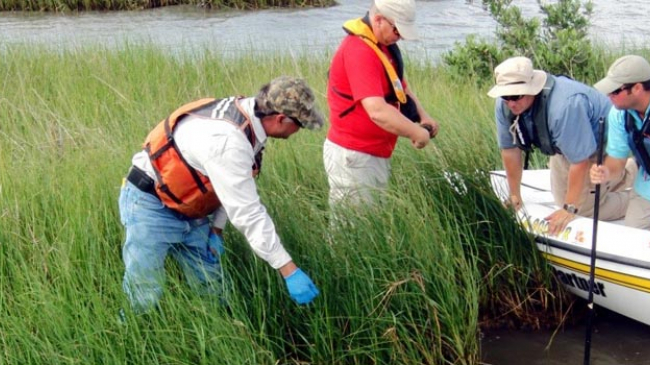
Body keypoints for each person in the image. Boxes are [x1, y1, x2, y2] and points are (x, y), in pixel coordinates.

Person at [118, 76, 322, 313]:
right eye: (299, 124)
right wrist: (289, 270)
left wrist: (216, 229)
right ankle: (127, 335)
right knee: (144, 292)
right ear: (279, 119)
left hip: (192, 210)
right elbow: (247, 213)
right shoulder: (228, 141)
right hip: (149, 204)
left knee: (212, 289)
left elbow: (227, 183)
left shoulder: (249, 116)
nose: (299, 130)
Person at [487, 56, 634, 236]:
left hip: (602, 144)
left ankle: (635, 189)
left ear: (532, 89)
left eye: (516, 96)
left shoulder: (564, 106)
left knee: (583, 211)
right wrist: (514, 194)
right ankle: (623, 174)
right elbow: (510, 150)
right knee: (560, 199)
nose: (511, 103)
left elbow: (580, 161)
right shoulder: (504, 106)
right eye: (505, 96)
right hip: (564, 147)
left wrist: (570, 208)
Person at [323, 0, 439, 209]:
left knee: (371, 227)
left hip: (372, 155)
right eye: (397, 30)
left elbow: (400, 86)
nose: (400, 36)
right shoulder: (359, 50)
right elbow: (377, 111)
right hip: (354, 158)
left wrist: (423, 116)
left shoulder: (383, 46)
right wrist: (415, 132)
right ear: (378, 20)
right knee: (352, 233)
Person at [590, 55, 650, 229]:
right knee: (634, 230)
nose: (610, 96)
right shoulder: (619, 114)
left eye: (615, 91)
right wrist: (605, 172)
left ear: (638, 88)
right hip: (646, 181)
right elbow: (617, 159)